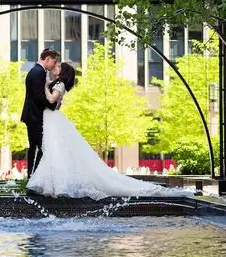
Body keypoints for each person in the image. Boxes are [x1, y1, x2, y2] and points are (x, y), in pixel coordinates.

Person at [26, 62, 193, 200]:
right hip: (50, 120)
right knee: (53, 151)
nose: (56, 67)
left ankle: (50, 186)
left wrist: (46, 86)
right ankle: (48, 185)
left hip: (52, 120)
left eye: (59, 67)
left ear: (64, 72)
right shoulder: (59, 83)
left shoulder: (59, 84)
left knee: (53, 151)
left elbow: (51, 99)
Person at [21, 48, 60, 179]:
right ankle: (34, 179)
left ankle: (32, 178)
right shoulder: (39, 73)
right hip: (35, 116)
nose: (54, 65)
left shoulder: (34, 71)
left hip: (30, 114)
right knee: (42, 148)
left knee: (34, 148)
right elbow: (38, 96)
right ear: (47, 59)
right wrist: (53, 105)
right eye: (54, 62)